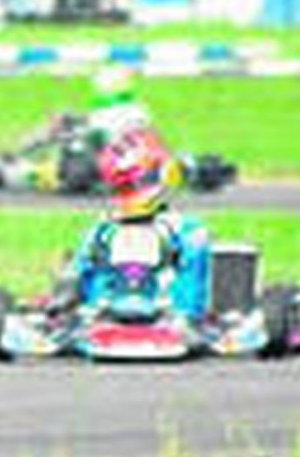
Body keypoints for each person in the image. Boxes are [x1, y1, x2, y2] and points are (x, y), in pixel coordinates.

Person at [67, 126, 212, 322]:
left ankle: (186, 313)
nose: (133, 193)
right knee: (91, 252)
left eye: (135, 185)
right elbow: (80, 269)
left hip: (167, 305)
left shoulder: (184, 230)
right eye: (124, 187)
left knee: (196, 242)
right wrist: (68, 293)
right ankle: (92, 310)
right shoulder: (102, 230)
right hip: (106, 307)